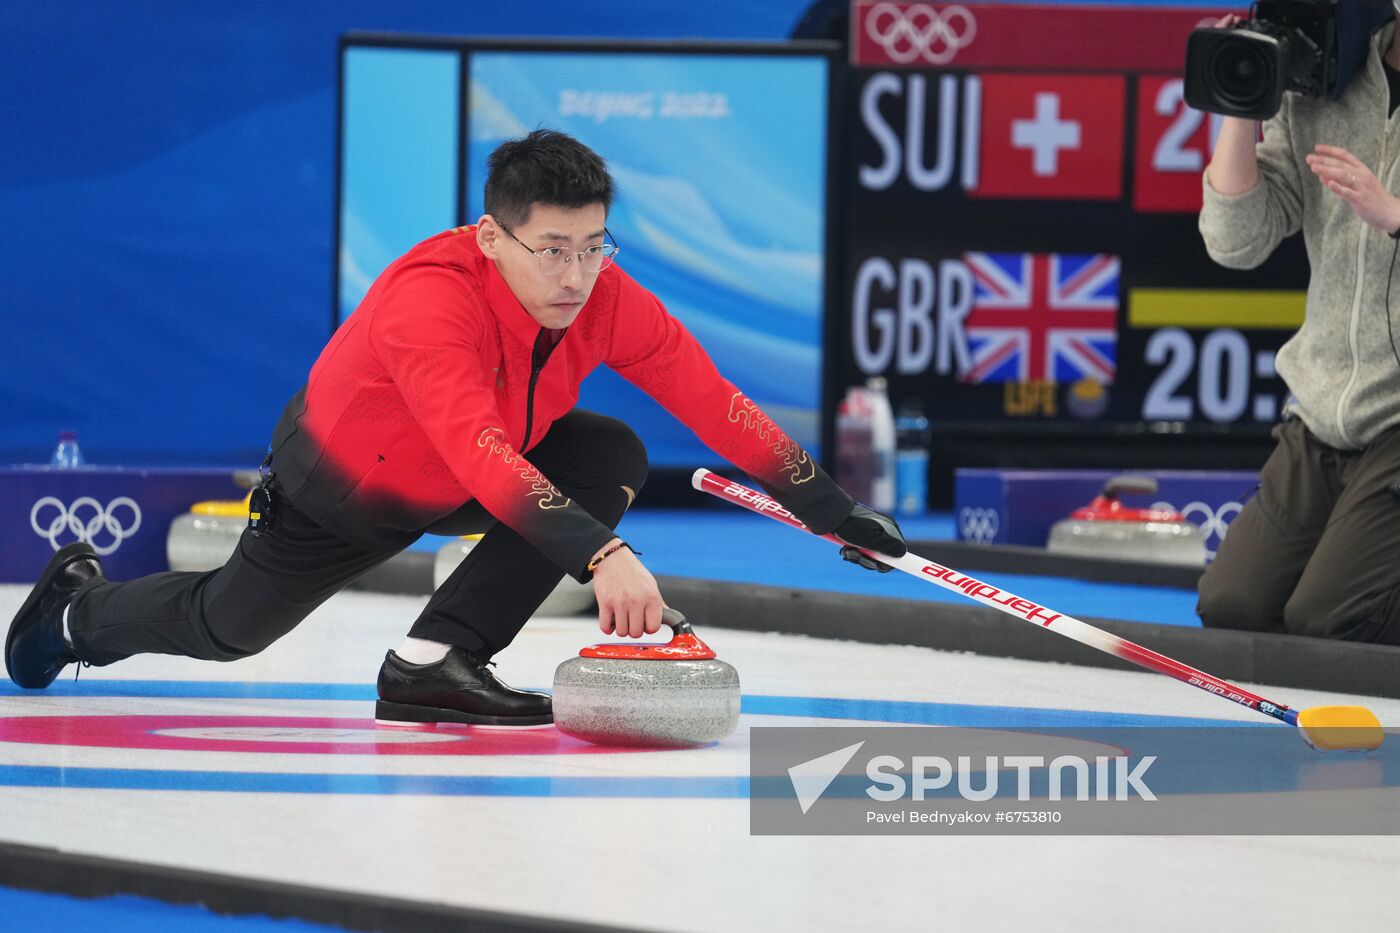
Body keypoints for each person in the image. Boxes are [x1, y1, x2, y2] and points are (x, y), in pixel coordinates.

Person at [6, 129, 907, 721]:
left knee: (609, 450)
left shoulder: (606, 296)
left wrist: (834, 510)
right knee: (228, 629)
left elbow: (714, 400)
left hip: (478, 473)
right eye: (552, 249)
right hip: (343, 489)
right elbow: (474, 448)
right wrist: (601, 556)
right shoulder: (429, 302)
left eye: (594, 246)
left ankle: (435, 658)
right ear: (491, 237)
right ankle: (75, 614)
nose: (576, 275)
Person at [1196, 10, 1400, 644]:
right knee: (1233, 605)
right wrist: (1242, 89)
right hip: (1323, 413)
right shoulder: (1329, 67)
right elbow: (1237, 242)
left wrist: (1394, 214)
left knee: (1332, 619)